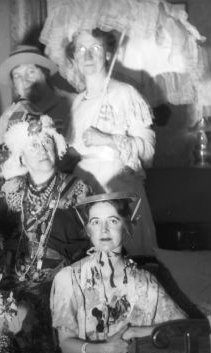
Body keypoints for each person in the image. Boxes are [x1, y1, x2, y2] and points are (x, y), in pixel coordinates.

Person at [50, 192, 186, 353]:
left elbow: (182, 330)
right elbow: (66, 343)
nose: (103, 229)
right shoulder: (67, 279)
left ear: (127, 225)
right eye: (95, 222)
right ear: (86, 228)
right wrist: (104, 349)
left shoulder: (144, 282)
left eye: (112, 221)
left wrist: (135, 331)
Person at [66, 28, 157, 256]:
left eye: (95, 48)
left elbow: (148, 151)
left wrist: (107, 139)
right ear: (74, 57)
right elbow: (74, 149)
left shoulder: (125, 93)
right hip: (84, 186)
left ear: (107, 54)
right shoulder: (76, 102)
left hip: (118, 186)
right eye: (81, 49)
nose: (87, 56)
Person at [0, 115, 91, 284]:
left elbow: (93, 239)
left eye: (47, 142)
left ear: (56, 148)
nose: (42, 150)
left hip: (62, 282)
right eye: (33, 146)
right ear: (21, 158)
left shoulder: (78, 188)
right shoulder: (12, 188)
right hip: (12, 281)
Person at [0, 45, 72, 178]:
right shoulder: (9, 115)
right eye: (17, 76)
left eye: (31, 72)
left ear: (44, 73)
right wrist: (1, 160)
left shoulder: (69, 104)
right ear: (14, 85)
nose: (25, 80)